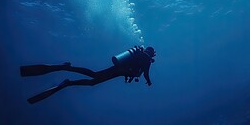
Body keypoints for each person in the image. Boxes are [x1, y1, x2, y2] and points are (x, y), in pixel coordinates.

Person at [20, 46, 156, 104]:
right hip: (119, 71)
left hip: (118, 69)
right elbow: (146, 74)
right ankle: (67, 71)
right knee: (93, 78)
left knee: (93, 79)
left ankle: (67, 77)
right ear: (151, 53)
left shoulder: (139, 54)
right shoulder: (147, 60)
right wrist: (149, 82)